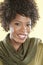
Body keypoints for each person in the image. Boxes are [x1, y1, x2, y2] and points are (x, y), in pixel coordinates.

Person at [0, 0, 43, 65]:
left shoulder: (39, 49)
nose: (24, 30)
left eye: (28, 25)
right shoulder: (1, 50)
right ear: (7, 23)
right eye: (17, 24)